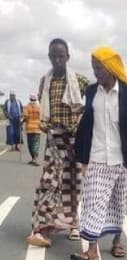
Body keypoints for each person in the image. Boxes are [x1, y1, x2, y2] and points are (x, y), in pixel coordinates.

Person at [70, 46, 127, 260]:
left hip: (121, 159)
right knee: (92, 201)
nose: (96, 74)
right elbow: (86, 125)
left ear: (111, 68)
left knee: (117, 202)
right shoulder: (92, 91)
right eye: (93, 69)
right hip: (97, 157)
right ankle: (91, 252)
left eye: (99, 69)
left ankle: (117, 240)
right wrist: (81, 157)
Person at [27, 38, 91, 248]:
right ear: (49, 57)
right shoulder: (45, 81)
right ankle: (43, 227)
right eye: (53, 56)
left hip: (73, 141)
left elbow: (94, 102)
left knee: (72, 184)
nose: (57, 60)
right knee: (49, 183)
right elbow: (45, 111)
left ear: (68, 57)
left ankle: (73, 225)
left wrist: (85, 124)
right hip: (53, 140)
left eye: (61, 56)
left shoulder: (80, 81)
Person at [24, 95, 42, 165]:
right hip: (37, 128)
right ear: (36, 99)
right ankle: (34, 159)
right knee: (36, 144)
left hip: (29, 128)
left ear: (29, 99)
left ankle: (33, 159)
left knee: (30, 144)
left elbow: (26, 117)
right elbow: (41, 118)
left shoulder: (26, 107)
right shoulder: (39, 107)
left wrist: (22, 122)